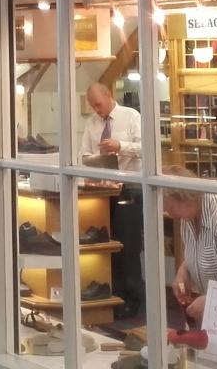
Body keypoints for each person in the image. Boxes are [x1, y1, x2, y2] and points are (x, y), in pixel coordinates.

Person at [80, 82, 143, 316]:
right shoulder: (91, 123)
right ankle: (112, 296)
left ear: (109, 96)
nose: (96, 110)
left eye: (98, 104)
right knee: (108, 246)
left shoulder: (131, 116)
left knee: (128, 245)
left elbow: (147, 147)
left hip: (129, 188)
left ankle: (132, 300)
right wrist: (93, 160)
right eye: (92, 106)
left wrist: (120, 146)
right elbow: (84, 153)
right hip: (103, 191)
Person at [164, 166, 217, 327]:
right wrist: (183, 272)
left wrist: (212, 300)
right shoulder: (187, 216)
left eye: (168, 207)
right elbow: (204, 251)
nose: (166, 212)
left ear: (181, 197)